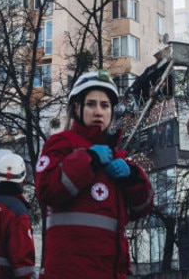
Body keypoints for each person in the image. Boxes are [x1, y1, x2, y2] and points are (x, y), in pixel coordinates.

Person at [35, 70, 153, 278]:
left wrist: (133, 176)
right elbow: (46, 189)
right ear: (78, 107)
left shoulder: (118, 156)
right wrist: (89, 159)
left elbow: (142, 208)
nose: (98, 112)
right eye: (91, 104)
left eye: (105, 105)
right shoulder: (61, 143)